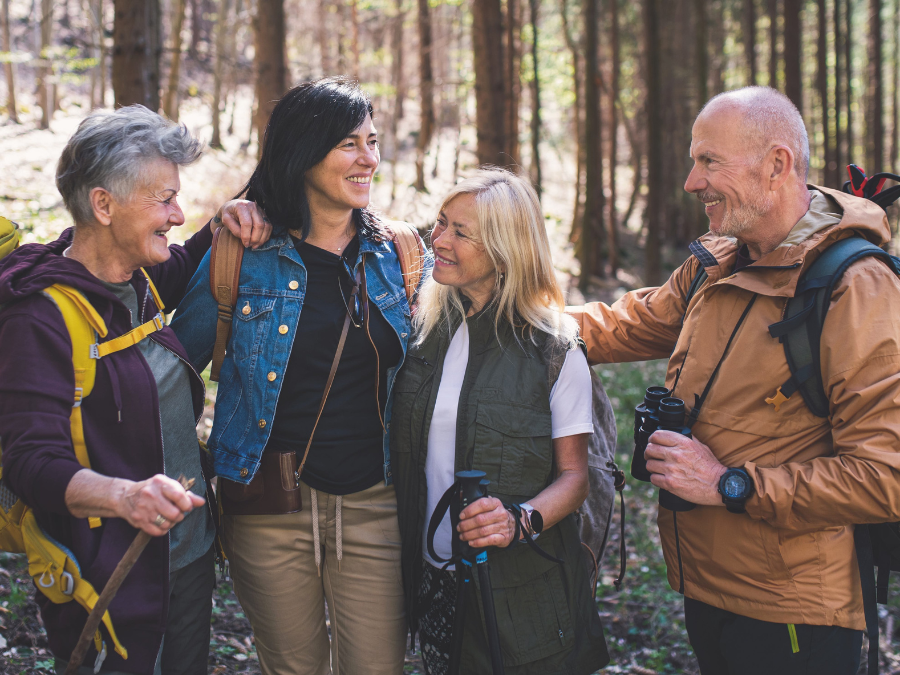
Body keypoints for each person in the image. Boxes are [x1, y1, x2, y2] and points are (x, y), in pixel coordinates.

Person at [568, 86, 900, 674]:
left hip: (795, 615)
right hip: (707, 589)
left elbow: (884, 477)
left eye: (709, 162)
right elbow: (627, 324)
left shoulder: (855, 286)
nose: (693, 183)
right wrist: (512, 318)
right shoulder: (722, 260)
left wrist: (730, 484)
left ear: (777, 164)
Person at [171, 77, 431, 675]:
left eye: (373, 142)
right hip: (267, 508)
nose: (369, 159)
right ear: (303, 150)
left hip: (378, 504)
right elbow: (175, 369)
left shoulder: (403, 256)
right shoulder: (240, 252)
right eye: (349, 144)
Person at [0, 105, 269, 675]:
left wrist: (227, 218)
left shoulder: (138, 275)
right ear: (103, 205)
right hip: (108, 573)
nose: (177, 214)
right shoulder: (42, 319)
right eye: (163, 199)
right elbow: (30, 461)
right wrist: (125, 496)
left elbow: (187, 261)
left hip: (187, 553)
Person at [389, 169, 610, 675]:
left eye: (459, 232)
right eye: (440, 223)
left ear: (506, 248)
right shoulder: (423, 334)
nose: (437, 241)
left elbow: (577, 478)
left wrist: (519, 519)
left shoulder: (554, 350)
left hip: (519, 595)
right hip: (432, 582)